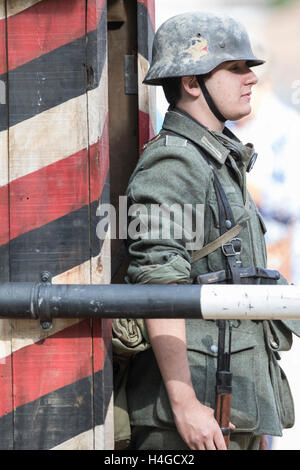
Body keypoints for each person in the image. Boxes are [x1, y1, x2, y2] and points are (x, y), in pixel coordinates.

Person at [121, 11, 300, 451]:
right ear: (192, 82)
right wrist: (184, 405)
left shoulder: (217, 159)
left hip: (230, 412)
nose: (251, 78)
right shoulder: (176, 161)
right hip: (192, 420)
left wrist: (256, 418)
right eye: (235, 67)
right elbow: (158, 282)